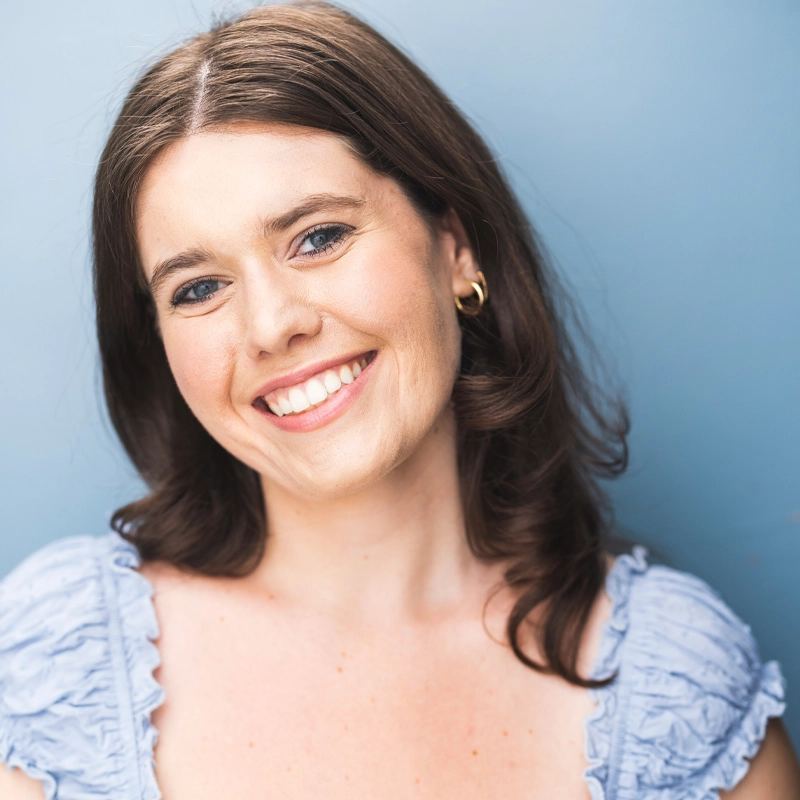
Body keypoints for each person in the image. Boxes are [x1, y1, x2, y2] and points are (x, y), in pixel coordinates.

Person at [1, 2, 798, 798]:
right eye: (199, 287)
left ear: (455, 247)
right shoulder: (56, 671)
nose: (273, 326)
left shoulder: (678, 695)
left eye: (318, 237)